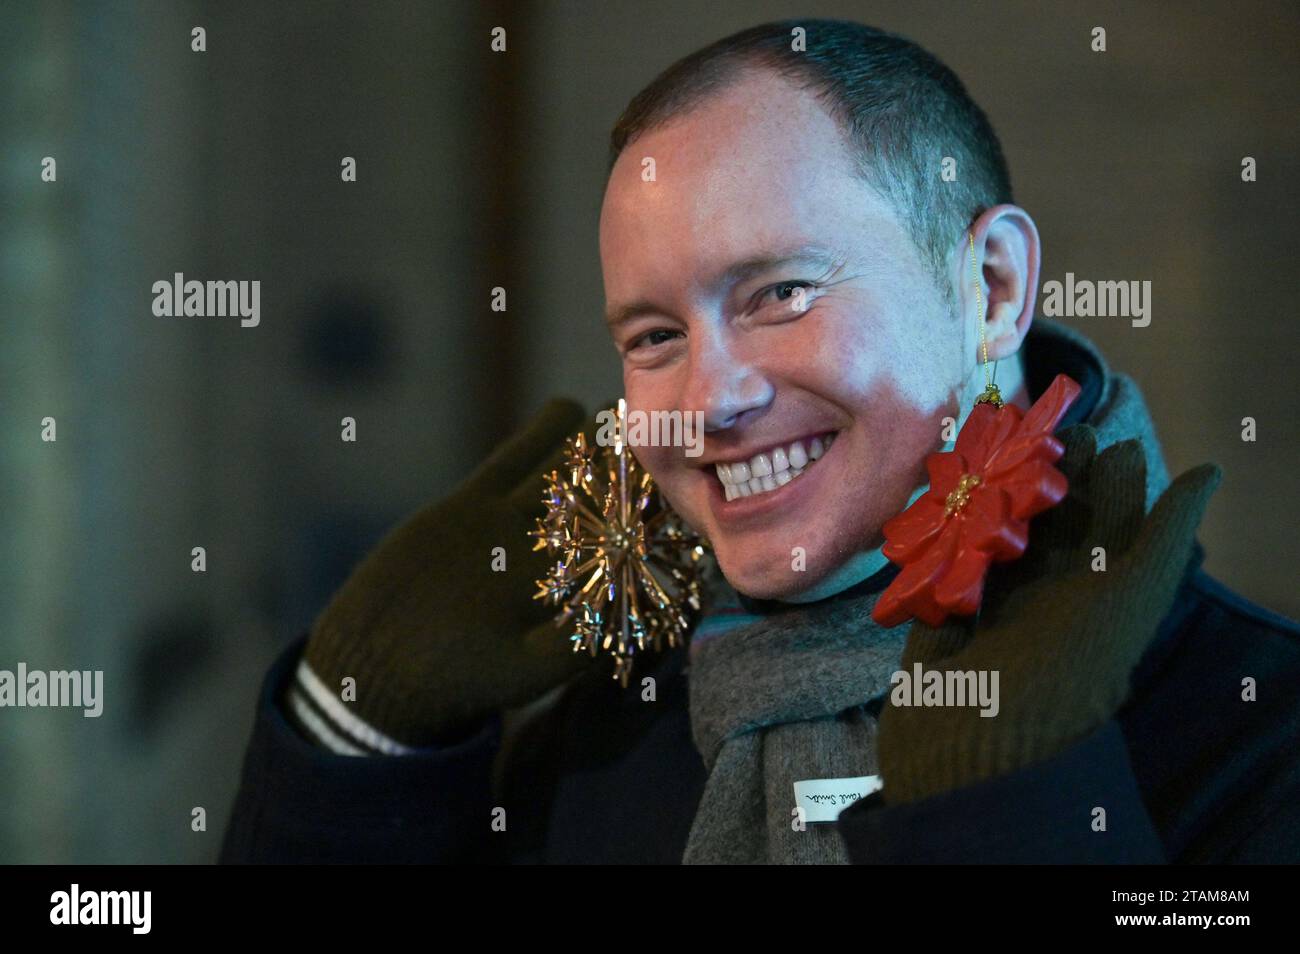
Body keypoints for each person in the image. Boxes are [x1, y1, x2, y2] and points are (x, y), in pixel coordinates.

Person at [219, 19, 1300, 864]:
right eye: (653, 336)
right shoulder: (601, 737)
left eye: (780, 292)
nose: (711, 399)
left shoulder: (1255, 733)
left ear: (992, 287)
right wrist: (350, 732)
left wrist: (1004, 798)